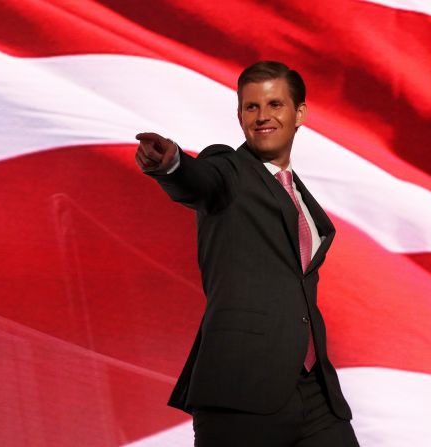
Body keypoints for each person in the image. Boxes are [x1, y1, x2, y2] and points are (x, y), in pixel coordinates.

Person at [134, 61, 360, 447]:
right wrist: (171, 164)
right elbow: (199, 181)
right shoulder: (230, 170)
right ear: (239, 116)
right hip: (240, 390)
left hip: (314, 393)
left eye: (274, 104)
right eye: (251, 107)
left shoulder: (301, 196)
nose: (262, 116)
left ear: (299, 113)